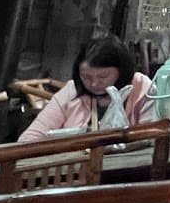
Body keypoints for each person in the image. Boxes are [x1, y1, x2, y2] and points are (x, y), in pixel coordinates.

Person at [19, 36, 155, 143]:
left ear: (122, 72)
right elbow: (28, 139)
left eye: (102, 77)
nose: (94, 84)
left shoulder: (143, 89)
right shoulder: (71, 91)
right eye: (86, 77)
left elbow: (149, 139)